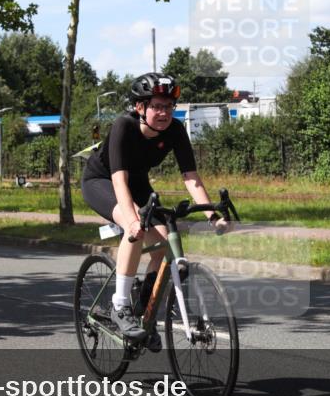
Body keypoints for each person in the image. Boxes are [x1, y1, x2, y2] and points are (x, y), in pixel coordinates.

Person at [81, 72, 229, 340]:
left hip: (138, 182)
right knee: (134, 228)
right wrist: (132, 221)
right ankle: (120, 305)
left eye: (169, 106)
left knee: (162, 244)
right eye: (157, 106)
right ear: (140, 107)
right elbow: (119, 181)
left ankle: (143, 309)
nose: (164, 113)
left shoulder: (175, 130)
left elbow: (191, 177)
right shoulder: (123, 126)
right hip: (102, 181)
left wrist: (212, 215)